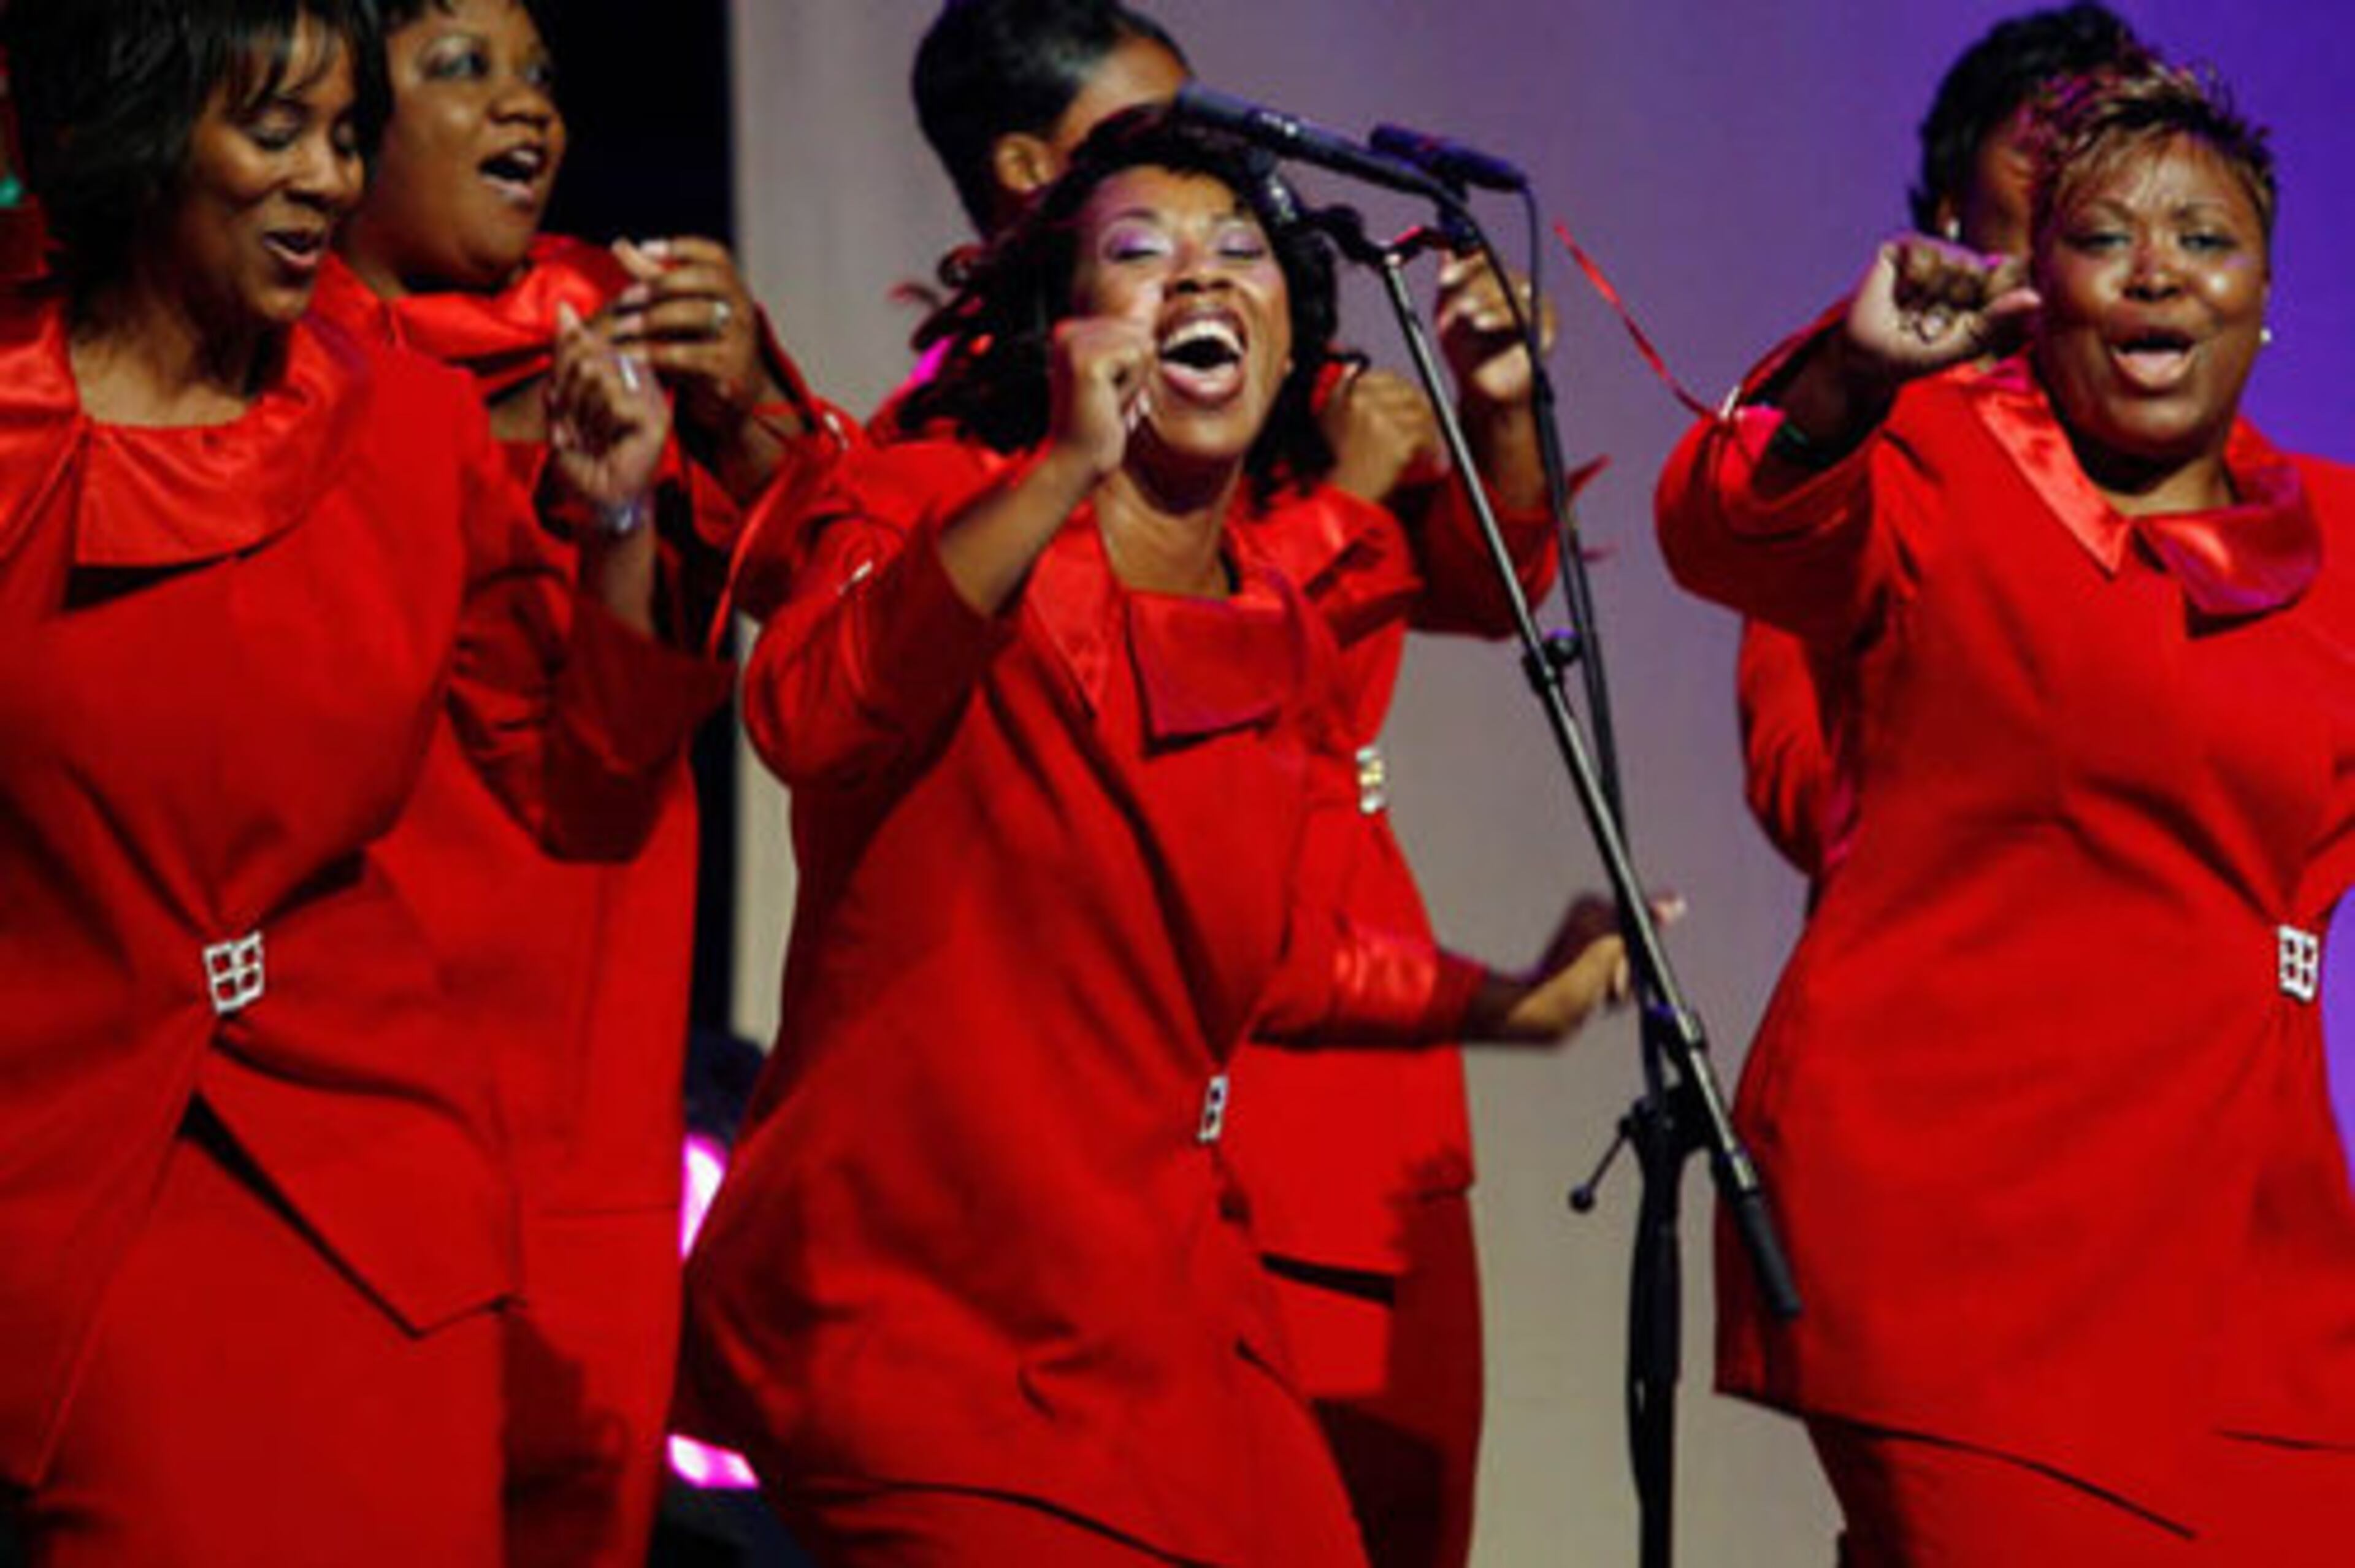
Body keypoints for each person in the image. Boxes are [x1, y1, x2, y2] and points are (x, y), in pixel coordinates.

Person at [680, 109, 1626, 1567]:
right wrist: (1058, 466)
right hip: (928, 1299)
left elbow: (1276, 958)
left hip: (1160, 1294)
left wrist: (1509, 1000)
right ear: (1056, 326)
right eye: (1141, 254)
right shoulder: (929, 500)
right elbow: (808, 714)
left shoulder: (1271, 621)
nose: (1199, 280)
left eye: (1239, 253)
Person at [0, 0, 700, 1561]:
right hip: (70, 1181)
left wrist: (618, 524)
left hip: (373, 1191)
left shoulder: (409, 426)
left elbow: (577, 797)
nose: (324, 178)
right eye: (275, 132)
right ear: (143, 133)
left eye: (341, 136)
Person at [1657, 63, 2355, 1564]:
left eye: (2206, 238)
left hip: (2250, 1250)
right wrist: (1845, 382)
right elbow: (1721, 526)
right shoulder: (1939, 457)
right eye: (2107, 237)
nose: (2159, 268)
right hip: (1963, 1226)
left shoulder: (2346, 539)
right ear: (2042, 284)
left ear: (2266, 292)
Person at [906, 10, 1561, 1563]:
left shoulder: (1278, 374)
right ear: (1029, 174)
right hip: (1166, 1086)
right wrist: (1333, 504)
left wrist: (1499, 413)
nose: (1225, 182)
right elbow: (1160, 687)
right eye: (1160, 145)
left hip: (1362, 1095)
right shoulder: (978, 435)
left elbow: (1492, 580)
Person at [313, 5, 834, 1562]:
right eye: (460, 69)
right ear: (341, 127)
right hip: (375, 1068)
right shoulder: (285, 374)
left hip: (596, 1082)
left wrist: (743, 398)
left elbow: (833, 593)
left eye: (536, 70)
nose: (524, 105)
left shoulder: (620, 319)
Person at [1735, 1, 2148, 888]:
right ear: (1955, 206)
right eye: (2049, 150)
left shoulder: (2216, 468)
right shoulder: (1864, 421)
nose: (2087, 187)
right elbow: (1791, 760)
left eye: (2119, 155)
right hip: (1935, 950)